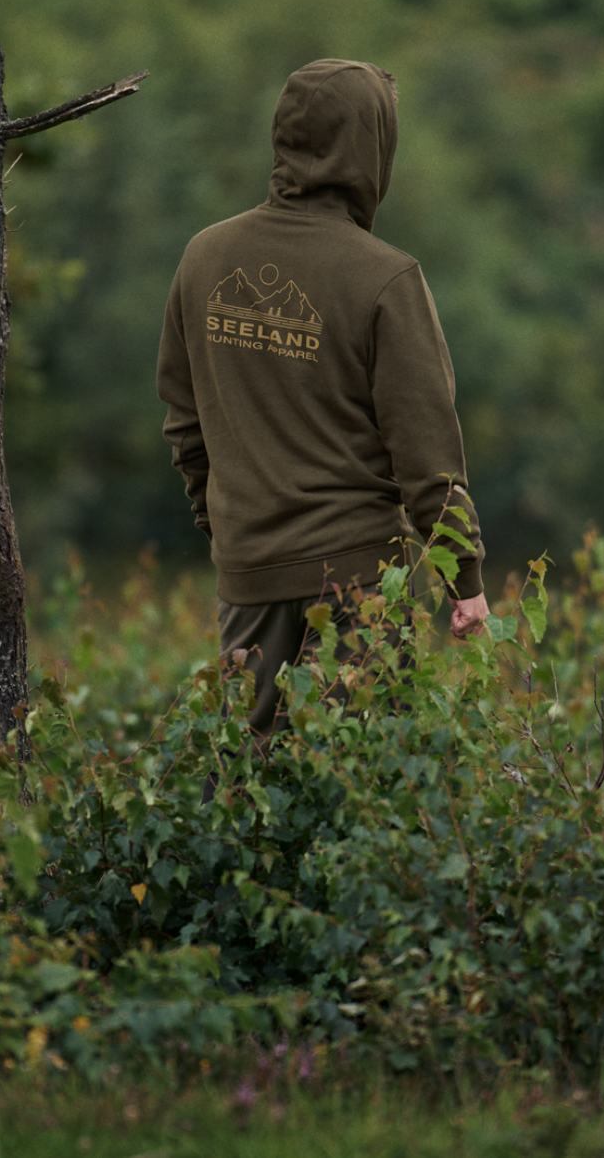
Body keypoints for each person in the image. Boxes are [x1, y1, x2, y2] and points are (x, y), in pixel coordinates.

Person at [156, 58, 489, 742]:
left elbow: (185, 427)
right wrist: (467, 581)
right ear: (371, 149)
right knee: (359, 785)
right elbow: (429, 460)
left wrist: (232, 530)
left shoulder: (203, 257)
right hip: (359, 589)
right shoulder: (386, 278)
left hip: (247, 581)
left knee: (252, 797)